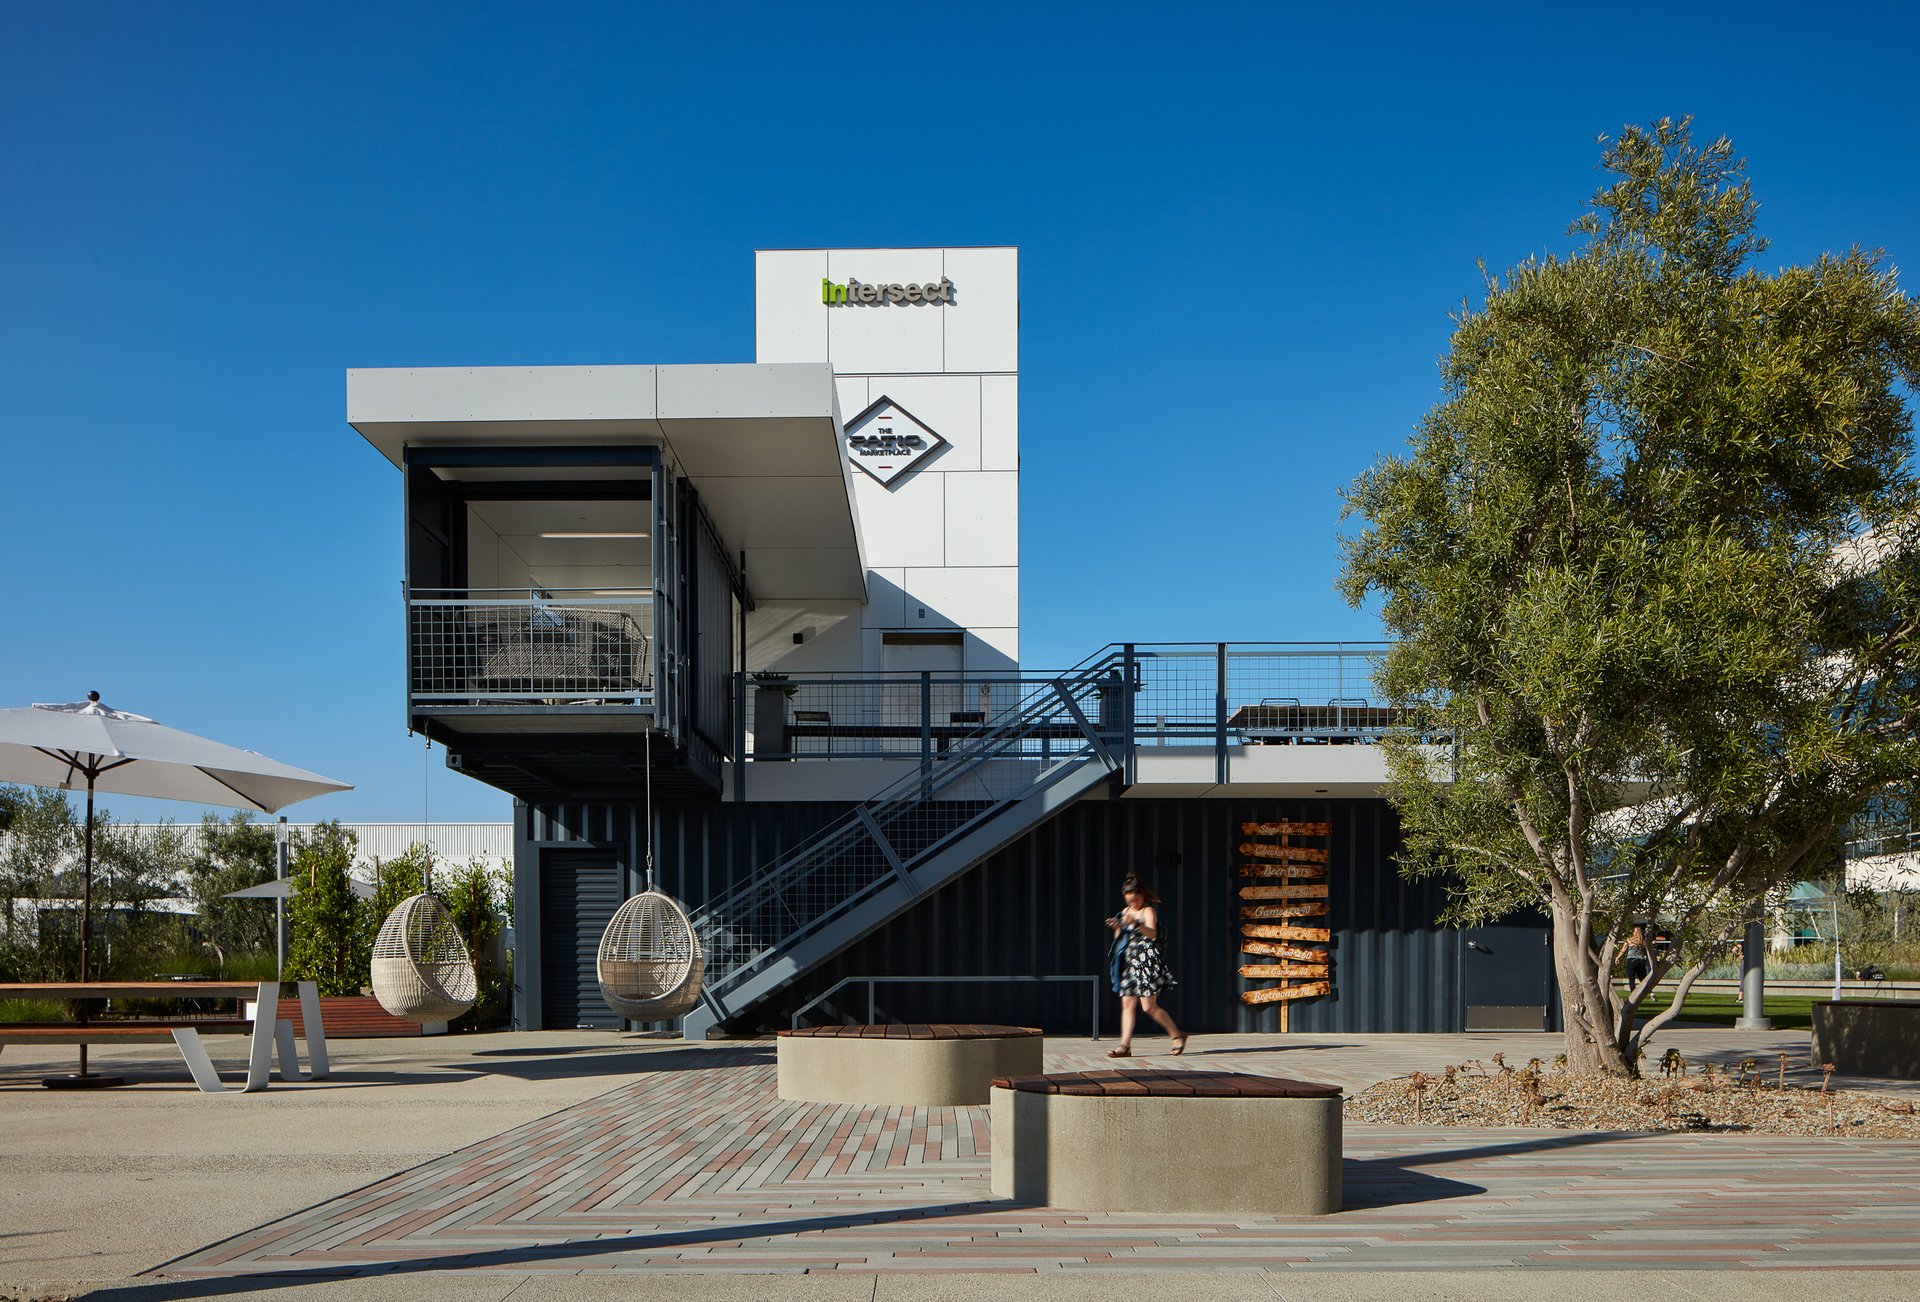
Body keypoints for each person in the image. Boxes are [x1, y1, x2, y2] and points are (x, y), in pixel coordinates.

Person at [1104, 873, 1187, 1057]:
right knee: (1127, 1004)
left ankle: (1177, 1035)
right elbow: (1120, 940)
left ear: (1142, 895)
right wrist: (1117, 927)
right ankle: (1124, 1046)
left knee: (1148, 1007)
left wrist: (1136, 924)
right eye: (1129, 900)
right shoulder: (1125, 912)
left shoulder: (1148, 911)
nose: (1133, 903)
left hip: (1147, 963)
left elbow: (1152, 934)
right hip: (1129, 964)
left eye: (1136, 899)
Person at [1623, 923, 1651, 989]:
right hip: (1641, 960)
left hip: (1631, 960)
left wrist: (1617, 957)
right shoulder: (1643, 941)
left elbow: (1623, 950)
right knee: (1642, 977)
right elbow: (1647, 950)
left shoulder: (1629, 940)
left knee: (1631, 978)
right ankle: (1649, 991)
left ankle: (1633, 993)